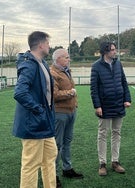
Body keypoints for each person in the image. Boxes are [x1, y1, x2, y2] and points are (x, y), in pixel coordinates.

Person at [13, 31, 57, 188]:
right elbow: (20, 92)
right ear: (41, 44)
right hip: (33, 123)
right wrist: (38, 110)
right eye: (48, 43)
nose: (49, 46)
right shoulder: (28, 63)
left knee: (50, 158)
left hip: (44, 123)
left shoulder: (42, 63)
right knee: (31, 165)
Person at [90, 41, 131, 176]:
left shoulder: (118, 63)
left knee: (116, 133)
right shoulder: (96, 66)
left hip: (118, 103)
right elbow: (94, 89)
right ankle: (102, 163)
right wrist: (97, 106)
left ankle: (115, 161)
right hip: (105, 105)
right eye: (112, 50)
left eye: (115, 49)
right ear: (105, 52)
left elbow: (123, 82)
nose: (115, 52)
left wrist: (127, 99)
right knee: (102, 134)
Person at [50, 48, 84, 188]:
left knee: (67, 141)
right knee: (57, 144)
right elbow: (54, 95)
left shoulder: (65, 70)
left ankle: (67, 169)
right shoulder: (52, 73)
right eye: (66, 57)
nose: (69, 59)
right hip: (59, 113)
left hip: (70, 112)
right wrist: (71, 93)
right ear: (58, 59)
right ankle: (53, 175)